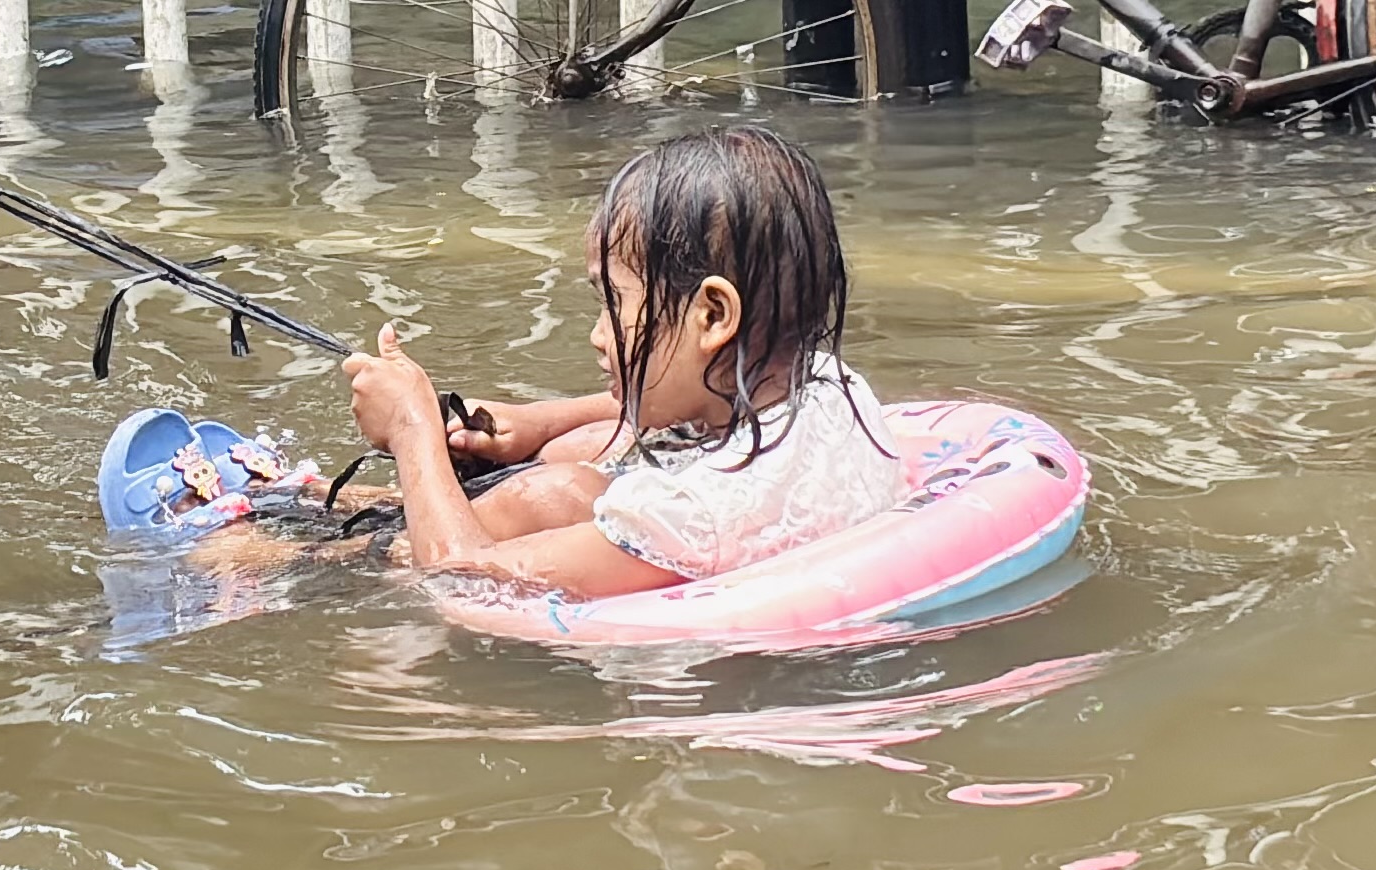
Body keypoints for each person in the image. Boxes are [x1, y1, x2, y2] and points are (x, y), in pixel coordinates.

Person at [100, 125, 907, 602]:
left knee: (504, 523)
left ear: (712, 315)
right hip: (717, 517)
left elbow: (465, 576)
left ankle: (264, 556)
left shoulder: (691, 518)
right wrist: (533, 424)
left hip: (618, 636)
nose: (598, 335)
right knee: (560, 470)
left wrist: (416, 430)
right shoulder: (830, 390)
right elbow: (667, 411)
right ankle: (326, 497)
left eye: (612, 303)